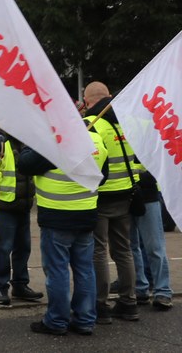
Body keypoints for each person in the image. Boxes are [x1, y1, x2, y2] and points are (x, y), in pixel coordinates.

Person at [17, 111, 107, 336]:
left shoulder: (53, 141)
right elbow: (103, 175)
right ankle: (85, 319)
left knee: (57, 271)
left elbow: (25, 164)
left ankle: (57, 321)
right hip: (86, 213)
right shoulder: (95, 139)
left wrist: (33, 141)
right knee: (85, 269)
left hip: (57, 217)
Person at [83, 82, 140, 323]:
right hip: (126, 193)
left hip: (102, 195)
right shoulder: (126, 122)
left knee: (98, 251)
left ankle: (100, 305)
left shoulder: (93, 124)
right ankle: (129, 302)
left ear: (87, 102)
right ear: (108, 97)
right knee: (123, 250)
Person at [0, 124, 43, 306]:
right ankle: (1, 287)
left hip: (24, 203)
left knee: (23, 247)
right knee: (3, 248)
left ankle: (20, 285)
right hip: (5, 203)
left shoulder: (26, 138)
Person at [128, 169, 171, 309]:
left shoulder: (149, 145)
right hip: (122, 196)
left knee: (154, 247)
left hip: (147, 194)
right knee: (130, 248)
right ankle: (140, 289)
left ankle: (162, 291)